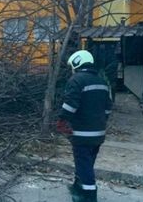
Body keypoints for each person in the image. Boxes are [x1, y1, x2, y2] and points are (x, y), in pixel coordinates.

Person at [57, 50, 112, 202]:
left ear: (77, 63)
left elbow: (70, 105)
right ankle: (77, 186)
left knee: (83, 163)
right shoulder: (102, 81)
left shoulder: (76, 80)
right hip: (99, 133)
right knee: (86, 163)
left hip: (82, 133)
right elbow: (108, 107)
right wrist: (100, 121)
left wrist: (62, 119)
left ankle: (89, 196)